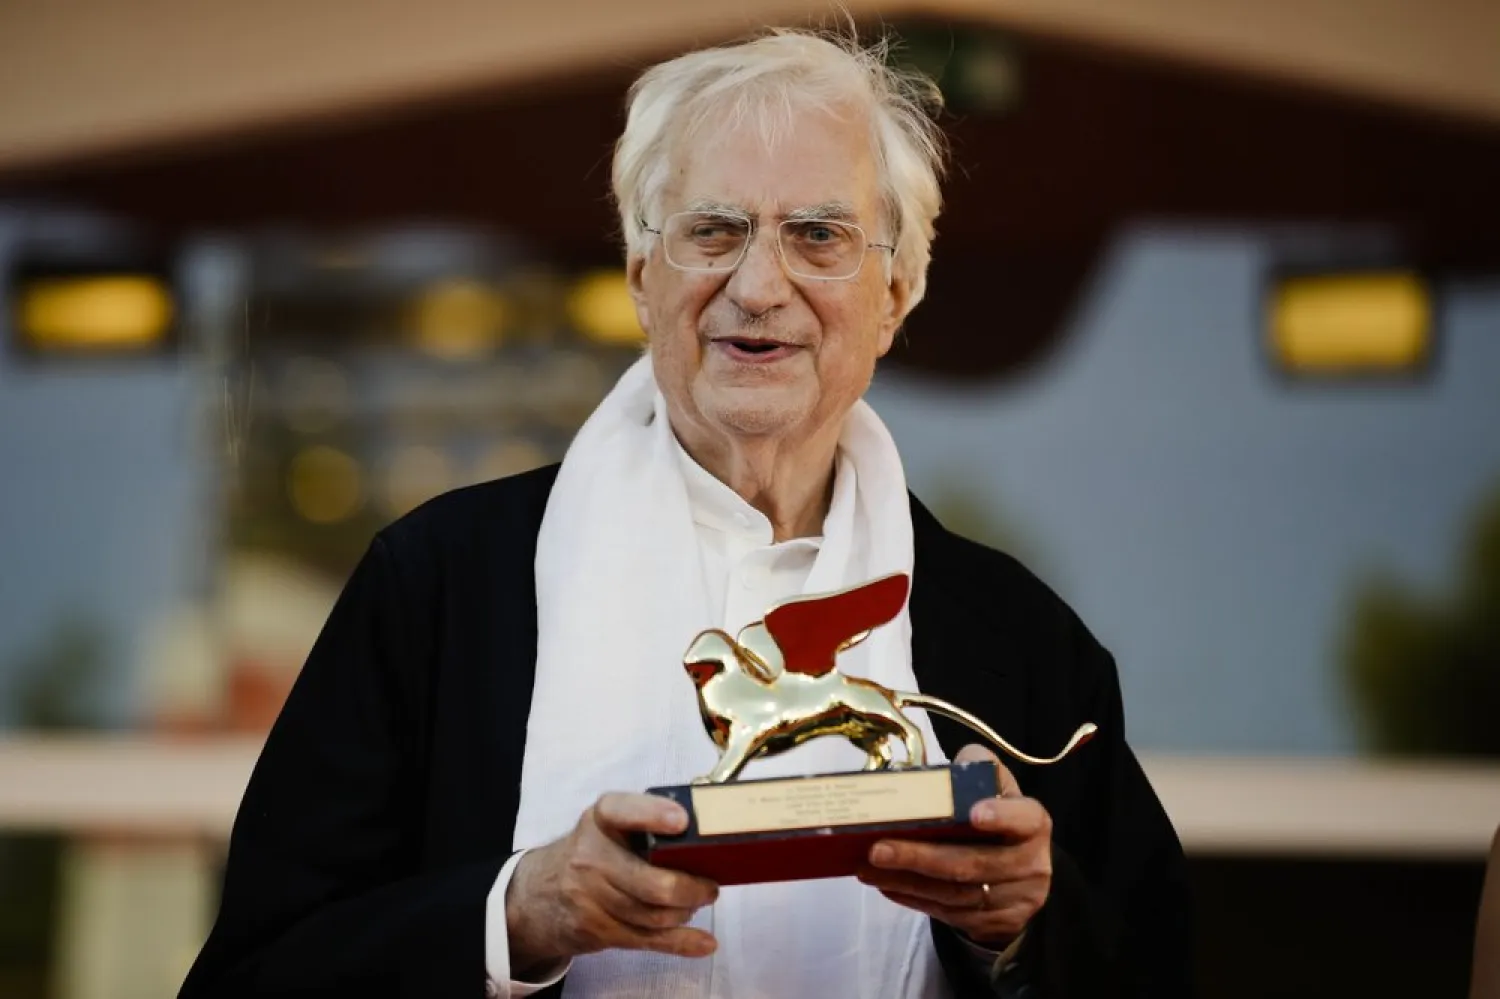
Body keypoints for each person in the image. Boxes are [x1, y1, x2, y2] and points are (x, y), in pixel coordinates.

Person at [178, 27, 1190, 999]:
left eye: (819, 236)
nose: (758, 286)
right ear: (639, 277)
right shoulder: (445, 582)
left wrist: (1019, 933)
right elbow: (256, 975)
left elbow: (1153, 973)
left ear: (897, 294)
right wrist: (518, 915)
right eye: (713, 230)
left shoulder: (1013, 635)